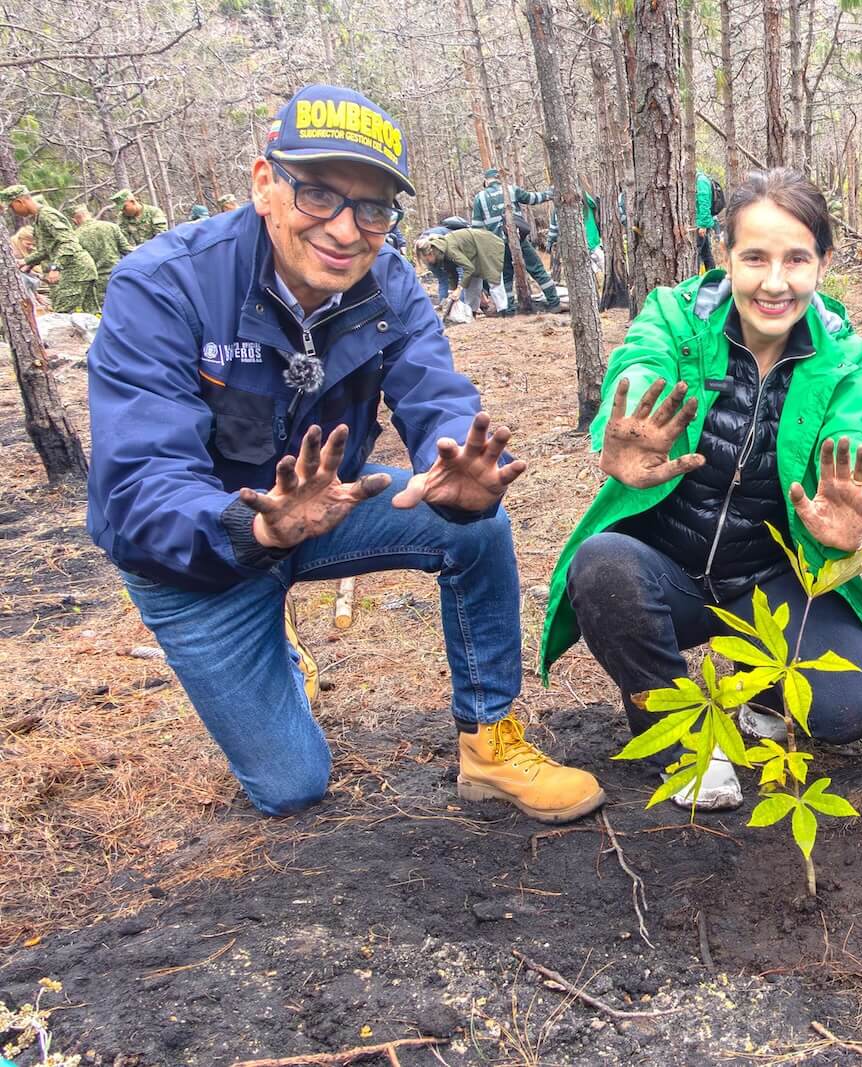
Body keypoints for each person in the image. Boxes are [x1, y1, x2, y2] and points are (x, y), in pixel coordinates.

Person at [85, 83, 605, 824]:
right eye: (320, 194)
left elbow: (433, 387)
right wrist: (256, 528)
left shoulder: (388, 281)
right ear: (265, 183)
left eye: (372, 208)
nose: (345, 228)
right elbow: (142, 485)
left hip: (328, 511)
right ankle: (277, 648)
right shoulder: (166, 284)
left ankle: (489, 742)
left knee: (475, 526)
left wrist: (453, 465)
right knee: (292, 786)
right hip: (197, 558)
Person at [539, 168, 862, 811]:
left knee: (849, 709)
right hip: (666, 569)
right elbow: (638, 362)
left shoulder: (841, 357)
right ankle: (684, 734)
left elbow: (853, 435)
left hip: (766, 581)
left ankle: (760, 695)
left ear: (824, 264)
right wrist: (625, 416)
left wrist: (846, 525)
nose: (775, 281)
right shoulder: (676, 317)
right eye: (754, 257)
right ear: (724, 255)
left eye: (796, 259)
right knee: (602, 567)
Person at [470, 168, 560, 313]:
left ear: (486, 181)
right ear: (500, 179)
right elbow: (533, 198)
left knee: (505, 276)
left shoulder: (479, 198)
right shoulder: (512, 190)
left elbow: (476, 228)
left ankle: (510, 309)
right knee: (537, 269)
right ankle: (554, 302)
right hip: (519, 240)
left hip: (496, 244)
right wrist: (550, 193)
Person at [3, 185, 101, 314]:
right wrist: (25, 261)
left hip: (75, 269)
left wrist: (55, 268)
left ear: (19, 202)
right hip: (81, 268)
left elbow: (67, 242)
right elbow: (47, 249)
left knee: (61, 313)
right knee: (92, 313)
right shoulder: (38, 218)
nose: (12, 211)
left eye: (11, 207)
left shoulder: (47, 215)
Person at [416, 226, 508, 319]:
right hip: (473, 253)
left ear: (430, 253)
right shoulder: (440, 252)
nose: (428, 262)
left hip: (487, 245)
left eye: (427, 259)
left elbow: (468, 268)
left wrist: (459, 289)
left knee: (494, 279)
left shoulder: (449, 249)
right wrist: (453, 291)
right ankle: (471, 313)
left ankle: (502, 311)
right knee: (471, 284)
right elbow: (452, 273)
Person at [71, 203, 136, 309]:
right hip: (118, 277)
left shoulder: (75, 236)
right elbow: (127, 250)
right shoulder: (111, 227)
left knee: (104, 313)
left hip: (96, 283)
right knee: (127, 308)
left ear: (74, 221)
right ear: (89, 214)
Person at [695, 171, 721, 272]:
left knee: (696, 253)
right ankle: (713, 278)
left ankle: (695, 279)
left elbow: (704, 203)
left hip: (701, 223)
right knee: (706, 253)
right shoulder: (702, 179)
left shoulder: (701, 181)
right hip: (702, 222)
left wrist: (703, 225)